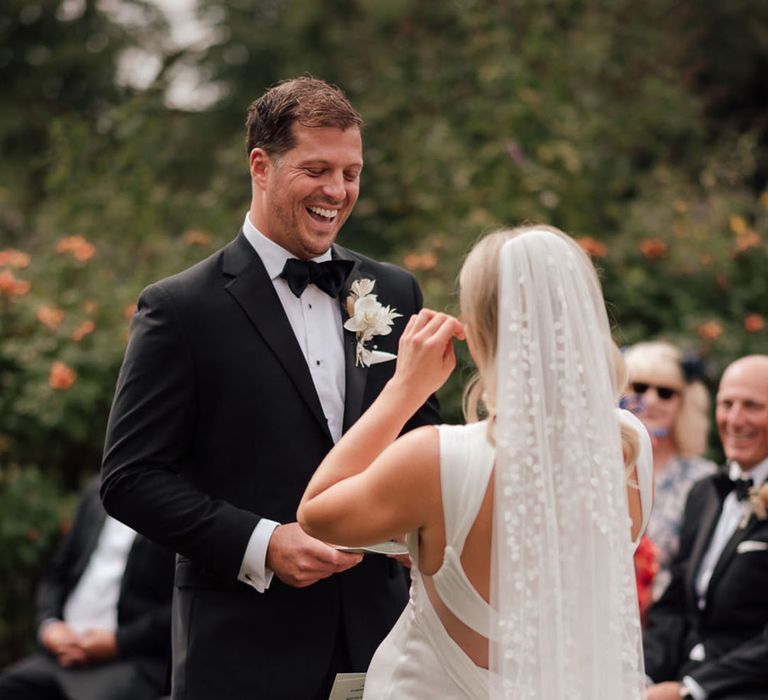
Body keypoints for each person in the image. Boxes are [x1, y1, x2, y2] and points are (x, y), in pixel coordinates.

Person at [100, 77, 440, 700]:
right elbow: (131, 477)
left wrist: (417, 528)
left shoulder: (394, 293)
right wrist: (263, 543)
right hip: (244, 649)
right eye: (317, 169)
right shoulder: (180, 308)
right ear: (260, 165)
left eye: (351, 173)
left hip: (388, 643)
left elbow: (424, 440)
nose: (337, 192)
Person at [298, 225, 653, 699]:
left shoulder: (437, 458)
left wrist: (405, 388)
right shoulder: (628, 446)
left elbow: (316, 513)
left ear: (481, 328)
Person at [643, 355, 768, 700]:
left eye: (753, 406)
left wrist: (693, 690)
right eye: (727, 404)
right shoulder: (704, 492)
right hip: (681, 675)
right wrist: (647, 677)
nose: (735, 419)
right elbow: (674, 603)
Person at [0, 478, 174, 700]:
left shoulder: (179, 504)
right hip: (59, 654)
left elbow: (176, 610)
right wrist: (50, 625)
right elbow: (56, 574)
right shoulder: (98, 492)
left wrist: (117, 642)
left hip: (129, 661)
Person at [624, 340, 716, 601]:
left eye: (665, 392)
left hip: (668, 627)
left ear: (684, 402)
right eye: (639, 387)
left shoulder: (703, 479)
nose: (650, 400)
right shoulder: (598, 467)